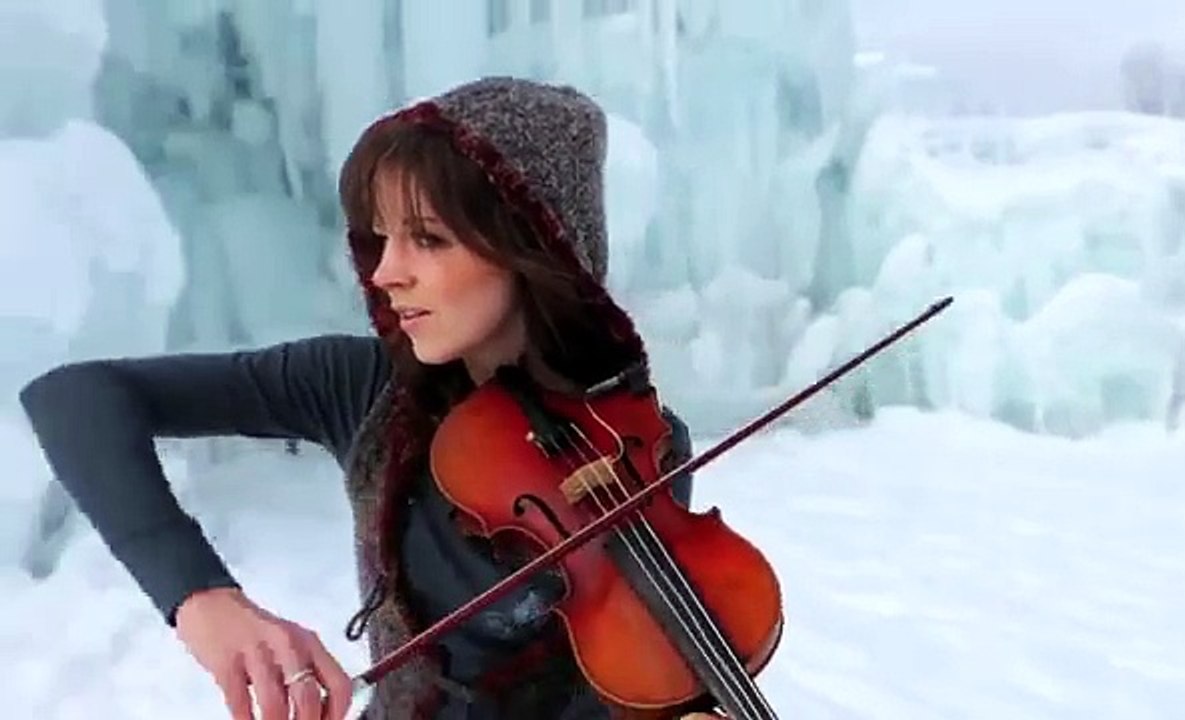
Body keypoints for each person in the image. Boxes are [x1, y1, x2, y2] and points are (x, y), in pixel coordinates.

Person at [21, 77, 728, 719]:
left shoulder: (636, 441)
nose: (387, 272)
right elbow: (75, 397)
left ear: (535, 245)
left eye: (428, 239)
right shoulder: (365, 388)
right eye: (382, 239)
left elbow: (629, 677)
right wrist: (204, 599)